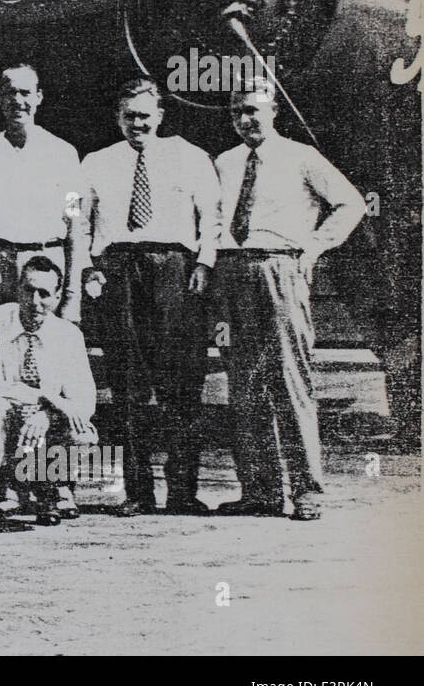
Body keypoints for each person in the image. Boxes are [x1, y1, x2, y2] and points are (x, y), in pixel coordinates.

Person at [214, 77, 365, 521]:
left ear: (273, 112)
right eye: (238, 112)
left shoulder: (301, 157)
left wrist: (314, 247)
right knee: (244, 384)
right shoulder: (224, 162)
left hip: (282, 268)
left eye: (254, 111)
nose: (246, 120)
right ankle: (259, 490)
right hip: (234, 271)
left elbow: (350, 203)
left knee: (290, 379)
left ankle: (307, 491)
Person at [80, 79, 220, 517]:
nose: (136, 123)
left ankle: (183, 492)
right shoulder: (95, 162)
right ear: (116, 117)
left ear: (160, 116)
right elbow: (78, 219)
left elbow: (211, 218)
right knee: (126, 386)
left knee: (181, 384)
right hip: (119, 271)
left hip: (173, 270)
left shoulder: (190, 156)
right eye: (128, 115)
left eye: (144, 115)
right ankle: (137, 493)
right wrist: (88, 266)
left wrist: (204, 265)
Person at [0, 256, 97, 534]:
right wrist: (44, 398)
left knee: (82, 431)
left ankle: (55, 487)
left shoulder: (69, 334)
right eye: (28, 290)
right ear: (17, 289)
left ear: (58, 296)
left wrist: (47, 413)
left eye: (44, 294)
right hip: (9, 414)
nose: (35, 302)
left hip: (43, 424)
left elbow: (84, 400)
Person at [0, 63, 84, 322]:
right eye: (10, 93)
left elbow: (74, 223)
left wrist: (72, 295)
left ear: (39, 97)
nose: (18, 101)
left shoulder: (63, 154)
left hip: (46, 263)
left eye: (25, 93)